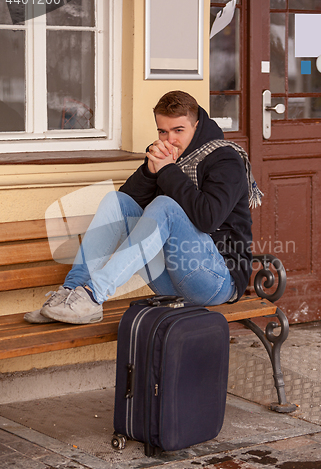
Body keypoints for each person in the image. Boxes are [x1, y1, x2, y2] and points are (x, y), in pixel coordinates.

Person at [25, 91, 256, 325]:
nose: (170, 140)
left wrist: (168, 171)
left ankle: (94, 294)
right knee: (115, 201)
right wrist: (150, 171)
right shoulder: (164, 158)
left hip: (216, 281)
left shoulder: (225, 159)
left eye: (178, 130)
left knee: (165, 206)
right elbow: (123, 210)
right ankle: (71, 294)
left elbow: (208, 219)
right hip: (169, 280)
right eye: (162, 131)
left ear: (196, 126)